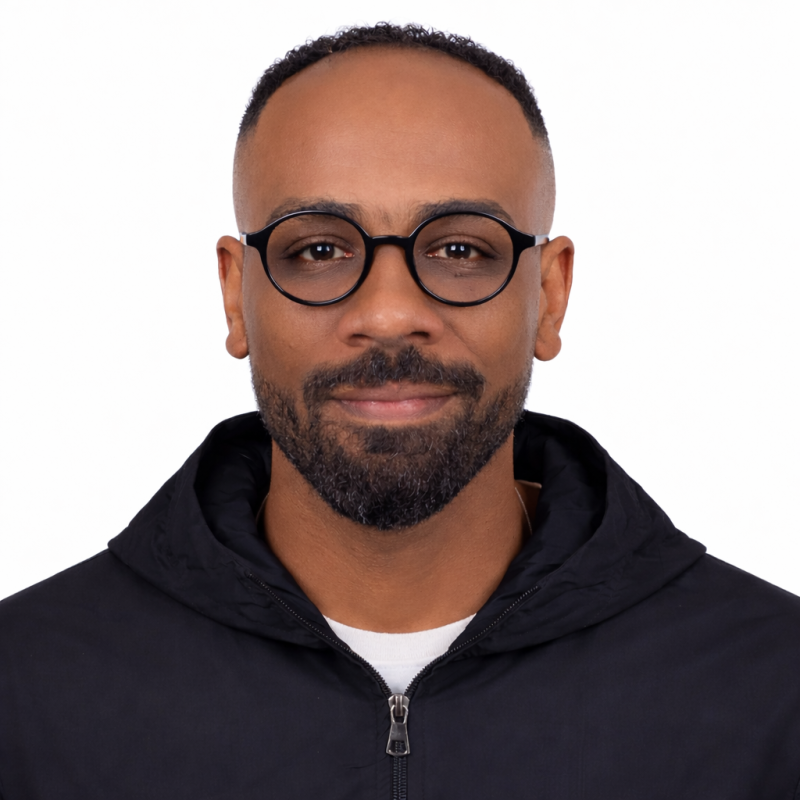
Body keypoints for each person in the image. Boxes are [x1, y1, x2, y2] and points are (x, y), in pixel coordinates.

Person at [1, 22, 798, 799]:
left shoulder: (772, 692)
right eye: (318, 249)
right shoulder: (26, 693)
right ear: (234, 295)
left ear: (549, 296)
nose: (387, 314)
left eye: (459, 249)